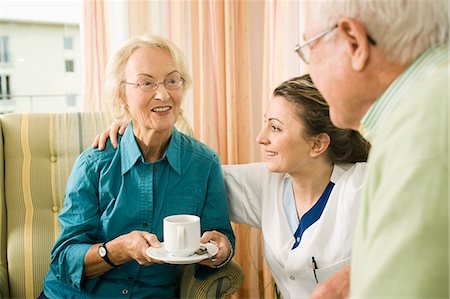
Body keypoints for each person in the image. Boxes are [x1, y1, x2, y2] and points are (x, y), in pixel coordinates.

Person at [94, 74, 370, 298]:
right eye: (265, 125)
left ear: (318, 144)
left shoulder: (364, 186)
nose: (261, 138)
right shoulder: (266, 183)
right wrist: (138, 133)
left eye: (275, 128)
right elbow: (186, 174)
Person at [41, 35, 235, 298]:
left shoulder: (204, 164)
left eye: (172, 80)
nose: (163, 94)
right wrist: (117, 250)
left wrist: (221, 250)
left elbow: (220, 237)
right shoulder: (94, 163)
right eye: (146, 82)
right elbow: (63, 258)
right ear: (122, 95)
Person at [298, 1, 449, 298]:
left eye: (309, 49)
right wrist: (363, 272)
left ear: (354, 42)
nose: (310, 70)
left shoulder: (419, 134)